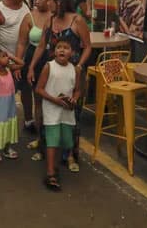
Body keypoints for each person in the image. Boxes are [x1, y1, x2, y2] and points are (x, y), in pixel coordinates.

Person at [28, 0, 92, 172]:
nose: (47, 4)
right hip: (51, 73)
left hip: (72, 74)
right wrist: (32, 67)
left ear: (59, 2)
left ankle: (70, 154)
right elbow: (41, 46)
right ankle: (45, 147)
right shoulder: (50, 20)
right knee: (49, 111)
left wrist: (79, 65)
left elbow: (87, 46)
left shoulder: (77, 21)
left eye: (49, 0)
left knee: (71, 113)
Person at [36, 38, 82, 191]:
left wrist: (74, 99)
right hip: (51, 110)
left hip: (67, 112)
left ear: (72, 52)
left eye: (66, 47)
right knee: (52, 141)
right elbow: (39, 89)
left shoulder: (75, 70)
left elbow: (77, 89)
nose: (62, 50)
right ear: (54, 51)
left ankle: (61, 159)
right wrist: (54, 100)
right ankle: (50, 173)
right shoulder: (49, 67)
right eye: (59, 47)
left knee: (67, 141)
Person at [19, 0, 50, 140]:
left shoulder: (55, 17)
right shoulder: (29, 17)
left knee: (48, 97)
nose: (37, 1)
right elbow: (21, 43)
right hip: (32, 58)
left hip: (51, 59)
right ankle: (37, 129)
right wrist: (18, 63)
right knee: (34, 95)